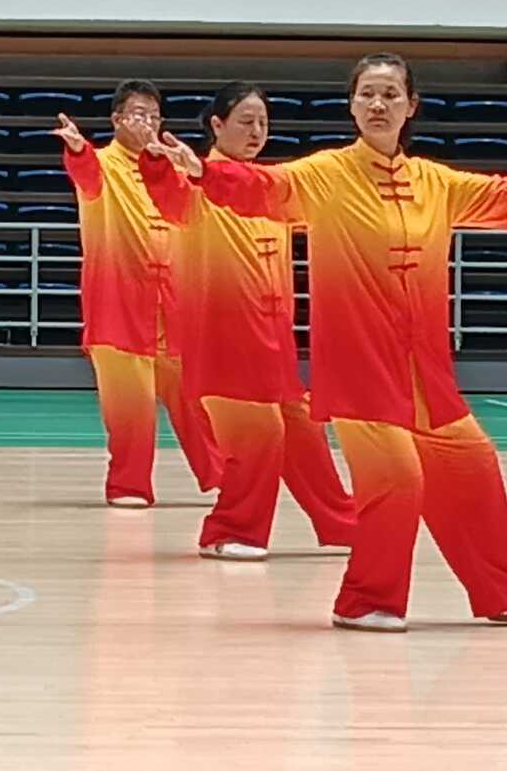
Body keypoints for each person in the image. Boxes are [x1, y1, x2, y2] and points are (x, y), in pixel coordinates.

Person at [194, 54, 507, 630]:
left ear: (411, 106)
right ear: (351, 106)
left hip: (425, 372)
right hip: (360, 371)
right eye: (367, 94)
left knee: (474, 466)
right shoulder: (323, 175)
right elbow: (262, 186)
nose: (378, 104)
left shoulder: (436, 183)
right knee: (397, 480)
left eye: (390, 94)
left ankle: (506, 594)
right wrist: (204, 174)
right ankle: (366, 602)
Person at [132, 82, 361, 563]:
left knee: (303, 434)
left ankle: (343, 526)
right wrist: (156, 163)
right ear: (217, 126)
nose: (256, 132)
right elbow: (167, 194)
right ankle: (229, 530)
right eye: (245, 122)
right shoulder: (195, 184)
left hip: (274, 344)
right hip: (225, 342)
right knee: (260, 436)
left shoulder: (271, 188)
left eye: (263, 123)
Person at [54, 87, 220, 509]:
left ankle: (223, 479)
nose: (147, 123)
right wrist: (77, 149)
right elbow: (84, 173)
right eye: (138, 114)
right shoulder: (101, 164)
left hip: (175, 306)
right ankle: (129, 486)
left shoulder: (172, 167)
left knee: (197, 400)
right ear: (117, 120)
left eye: (154, 116)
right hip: (119, 308)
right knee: (130, 409)